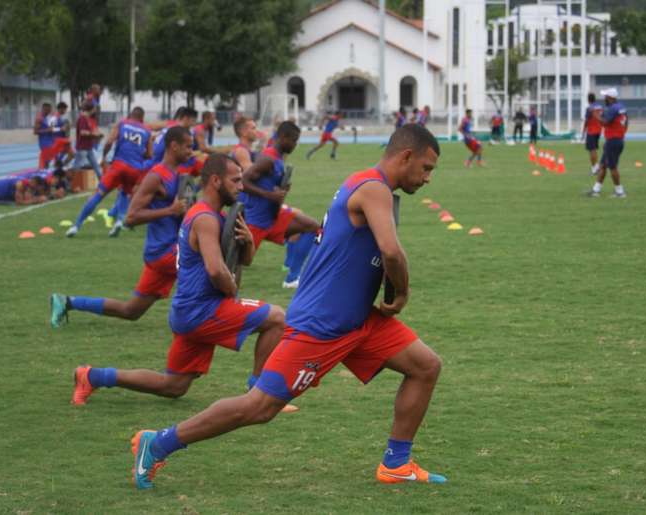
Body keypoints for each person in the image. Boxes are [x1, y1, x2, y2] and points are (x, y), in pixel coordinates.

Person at [128, 124, 445, 490]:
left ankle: (396, 464)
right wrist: (401, 293)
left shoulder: (372, 186)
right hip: (322, 323)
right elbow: (391, 251)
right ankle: (159, 442)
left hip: (359, 318)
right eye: (426, 168)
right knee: (258, 407)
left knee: (425, 366)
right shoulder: (373, 188)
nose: (427, 178)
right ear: (406, 156)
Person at [69, 154, 291, 409]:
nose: (241, 186)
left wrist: (248, 242)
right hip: (202, 310)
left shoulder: (212, 215)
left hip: (188, 310)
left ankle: (91, 376)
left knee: (173, 386)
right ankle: (258, 394)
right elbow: (216, 271)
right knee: (277, 318)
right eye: (236, 180)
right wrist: (232, 292)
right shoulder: (206, 218)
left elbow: (244, 262)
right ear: (216, 181)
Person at [50, 126, 191, 327]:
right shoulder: (156, 176)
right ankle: (217, 319)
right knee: (204, 263)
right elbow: (130, 218)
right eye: (188, 146)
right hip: (163, 251)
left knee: (131, 311)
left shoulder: (177, 174)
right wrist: (170, 210)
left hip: (168, 249)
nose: (190, 151)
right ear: (174, 146)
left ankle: (67, 302)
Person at [242, 121, 320, 288]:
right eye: (294, 140)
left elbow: (271, 188)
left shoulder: (278, 159)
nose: (295, 145)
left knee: (312, 226)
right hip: (256, 221)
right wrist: (268, 194)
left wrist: (282, 190)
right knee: (238, 262)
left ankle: (292, 278)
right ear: (283, 138)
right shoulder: (267, 159)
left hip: (272, 217)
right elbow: (243, 182)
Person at [65, 107, 153, 238]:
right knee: (125, 193)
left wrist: (104, 157)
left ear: (130, 116)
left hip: (118, 165)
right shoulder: (147, 130)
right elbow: (150, 154)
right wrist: (138, 153)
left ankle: (76, 226)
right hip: (134, 169)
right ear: (142, 118)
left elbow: (109, 142)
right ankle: (118, 222)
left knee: (98, 195)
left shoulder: (122, 123)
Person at [588, 88, 628, 198]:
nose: (604, 98)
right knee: (603, 165)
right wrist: (621, 133)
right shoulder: (621, 107)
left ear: (610, 98)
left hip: (613, 141)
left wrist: (595, 115)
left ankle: (620, 192)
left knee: (613, 167)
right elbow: (626, 122)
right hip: (616, 140)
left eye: (605, 96)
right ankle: (596, 190)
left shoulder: (612, 109)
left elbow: (604, 123)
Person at [71, 101, 103, 181]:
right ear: (91, 109)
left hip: (88, 147)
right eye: (94, 109)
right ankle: (71, 182)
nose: (95, 111)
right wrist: (94, 135)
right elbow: (83, 132)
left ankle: (103, 181)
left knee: (95, 165)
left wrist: (96, 134)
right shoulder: (82, 118)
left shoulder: (87, 119)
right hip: (82, 147)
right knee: (77, 166)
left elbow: (89, 131)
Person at [581, 93, 604, 176]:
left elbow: (586, 121)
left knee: (592, 150)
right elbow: (603, 118)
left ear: (588, 99)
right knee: (594, 149)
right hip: (598, 130)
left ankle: (595, 169)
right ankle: (595, 167)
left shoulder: (589, 108)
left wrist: (583, 132)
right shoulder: (600, 107)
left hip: (591, 131)